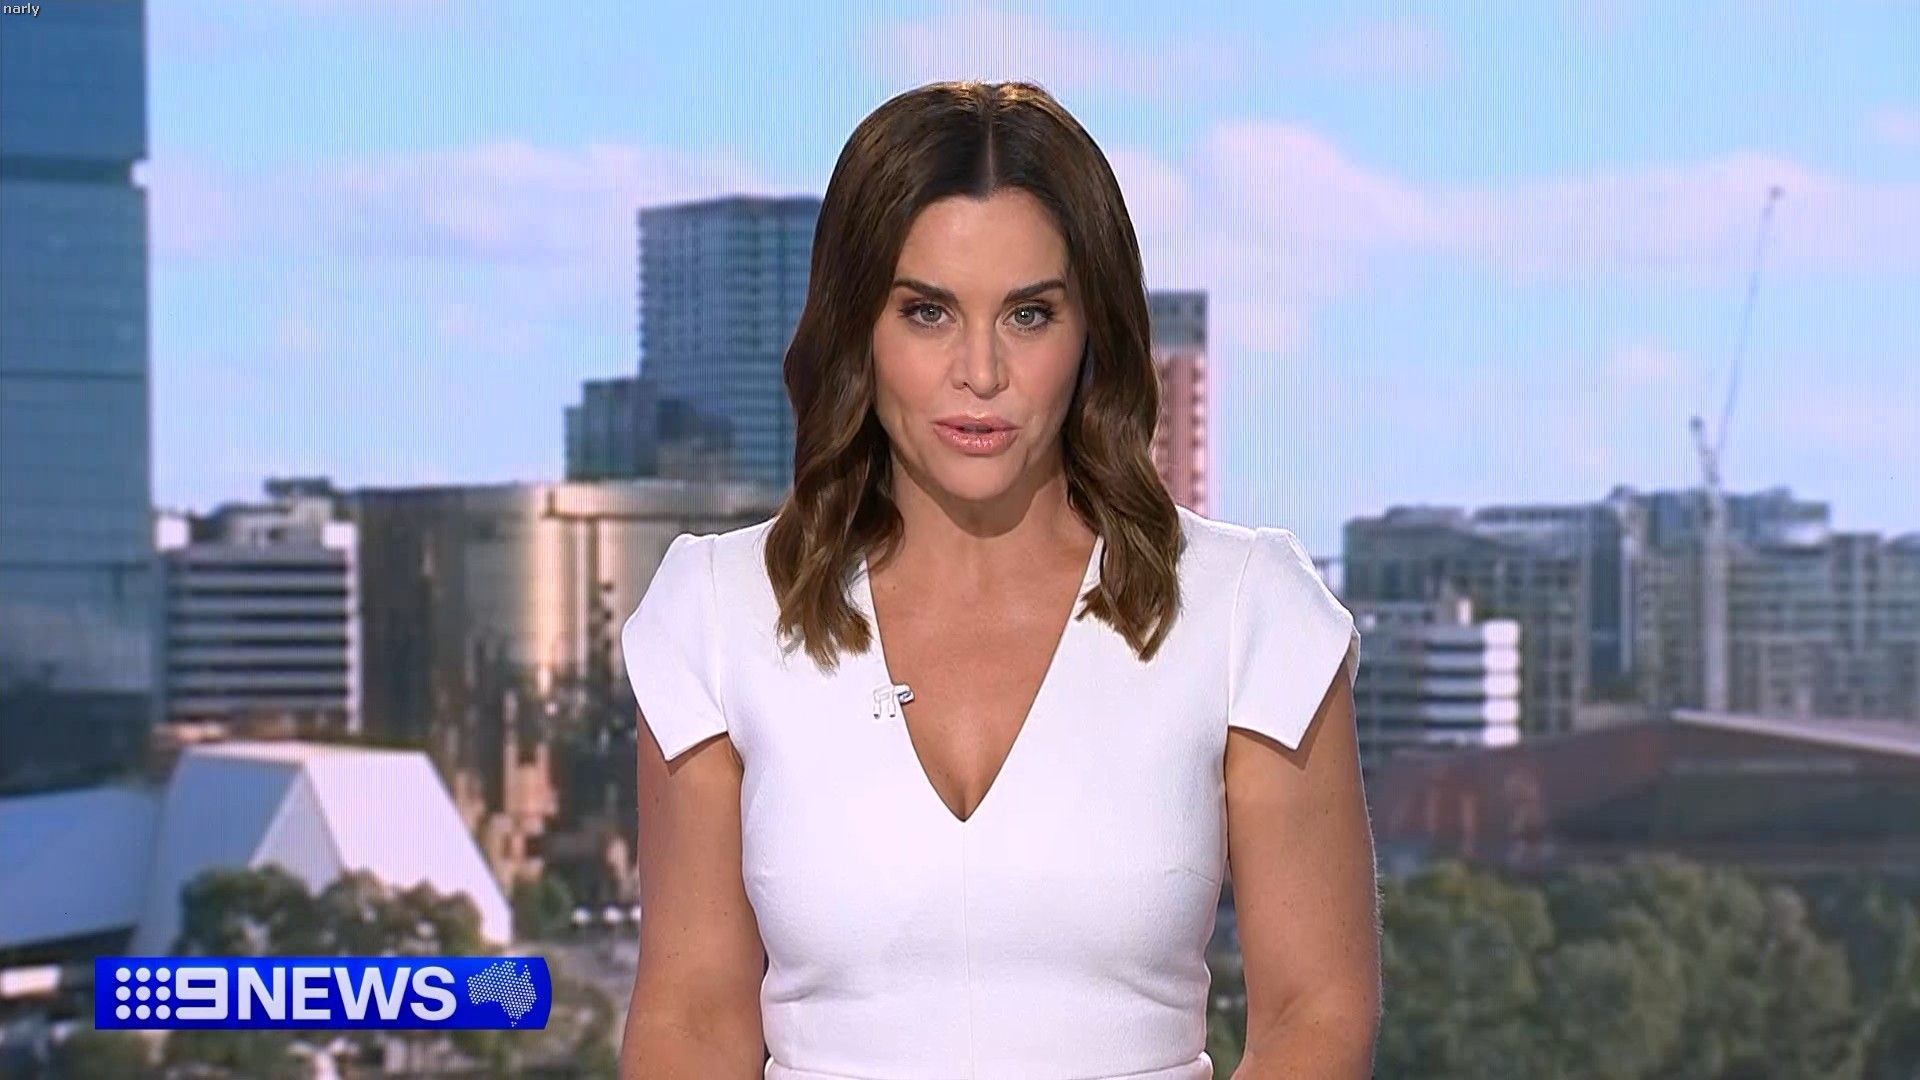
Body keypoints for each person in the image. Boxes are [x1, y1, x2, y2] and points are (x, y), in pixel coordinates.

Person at [619, 80, 1379, 1079]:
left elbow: (1315, 1015)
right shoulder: (716, 615)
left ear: (1092, 329)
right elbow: (689, 1021)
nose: (980, 373)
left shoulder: (1247, 612)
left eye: (1028, 314)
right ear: (857, 329)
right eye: (927, 312)